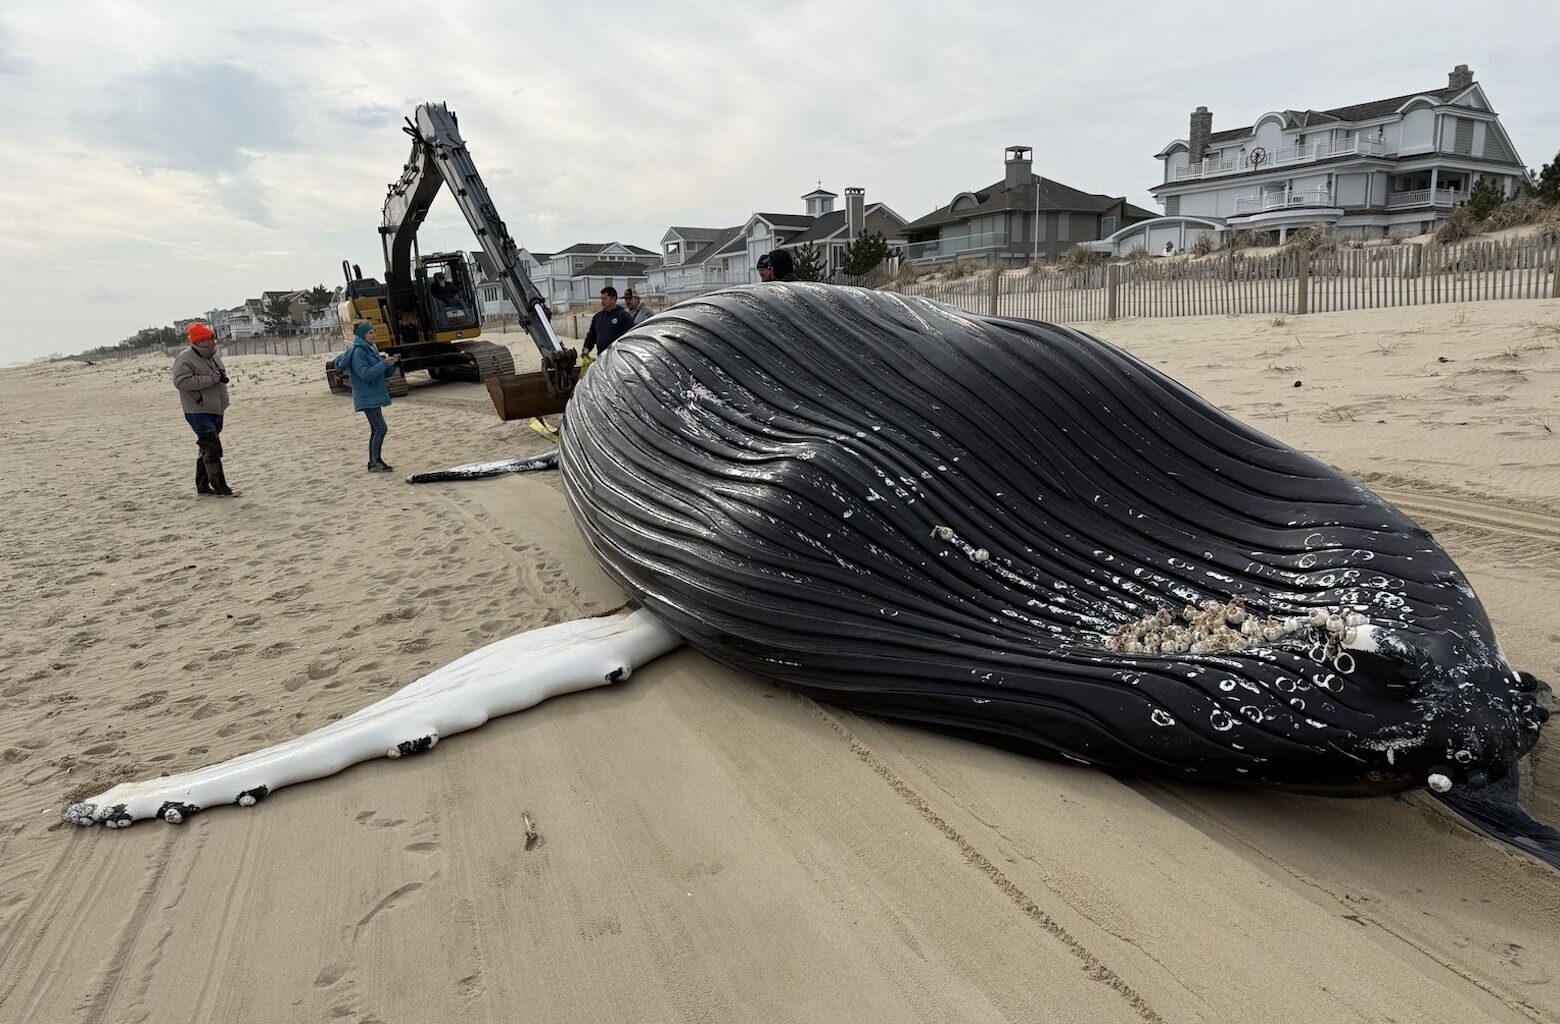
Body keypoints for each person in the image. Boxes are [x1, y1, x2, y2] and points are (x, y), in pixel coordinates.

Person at [171, 322, 238, 496]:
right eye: (209, 339)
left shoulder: (213, 356)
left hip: (216, 408)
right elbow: (180, 382)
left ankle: (202, 485)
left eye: (212, 338)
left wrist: (219, 378)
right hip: (197, 410)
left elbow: (218, 376)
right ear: (199, 342)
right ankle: (220, 487)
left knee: (206, 447)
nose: (213, 342)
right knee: (212, 447)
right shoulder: (185, 358)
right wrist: (209, 379)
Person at [333, 321, 398, 472]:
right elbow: (365, 374)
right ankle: (374, 462)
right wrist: (383, 364)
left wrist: (391, 365)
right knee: (381, 428)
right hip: (366, 396)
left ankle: (374, 461)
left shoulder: (371, 349)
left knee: (377, 429)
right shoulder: (358, 352)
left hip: (374, 394)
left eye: (373, 331)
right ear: (362, 335)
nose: (373, 335)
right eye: (370, 333)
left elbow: (381, 373)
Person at [582, 286, 634, 357]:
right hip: (602, 358)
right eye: (601, 299)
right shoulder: (597, 317)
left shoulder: (624, 316)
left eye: (605, 299)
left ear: (613, 299)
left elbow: (631, 338)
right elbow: (591, 336)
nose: (602, 302)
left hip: (618, 358)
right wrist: (586, 350)